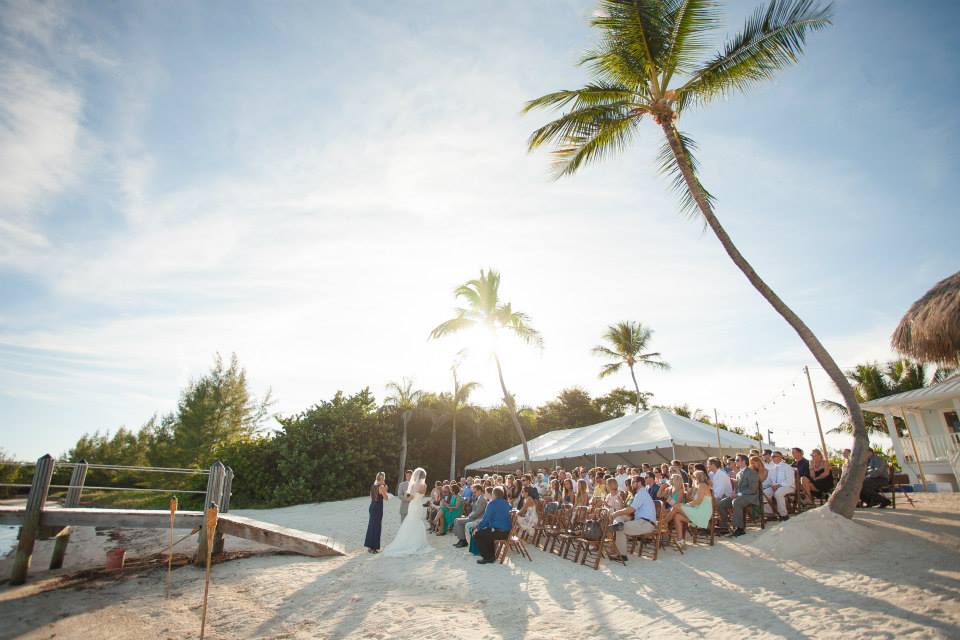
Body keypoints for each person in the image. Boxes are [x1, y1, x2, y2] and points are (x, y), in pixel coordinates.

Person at [382, 468, 432, 556]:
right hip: (418, 506)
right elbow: (420, 495)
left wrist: (407, 493)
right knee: (417, 522)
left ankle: (408, 542)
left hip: (413, 505)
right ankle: (418, 542)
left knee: (410, 523)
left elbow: (410, 497)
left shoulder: (414, 485)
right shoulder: (424, 485)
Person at [609, 479, 657, 562]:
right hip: (641, 521)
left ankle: (622, 555)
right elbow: (632, 512)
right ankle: (617, 524)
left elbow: (631, 509)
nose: (631, 484)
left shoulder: (641, 493)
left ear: (639, 483)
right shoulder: (641, 493)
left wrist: (616, 513)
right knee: (619, 521)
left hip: (646, 523)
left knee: (620, 528)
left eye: (633, 482)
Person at [717, 454, 759, 537]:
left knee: (736, 502)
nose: (735, 462)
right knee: (721, 503)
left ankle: (740, 528)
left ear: (743, 461)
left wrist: (737, 494)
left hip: (751, 496)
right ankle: (725, 526)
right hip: (740, 496)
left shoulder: (751, 472)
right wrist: (734, 493)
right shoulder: (739, 473)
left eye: (737, 460)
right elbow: (737, 488)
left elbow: (752, 489)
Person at [475, 486, 512, 564]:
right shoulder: (507, 503)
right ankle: (491, 556)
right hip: (507, 532)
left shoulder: (492, 504)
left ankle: (487, 557)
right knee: (487, 532)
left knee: (478, 534)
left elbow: (486, 519)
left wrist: (478, 528)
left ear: (494, 494)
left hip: (500, 532)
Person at [677, 470, 713, 543]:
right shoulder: (700, 486)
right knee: (677, 516)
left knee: (676, 506)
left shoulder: (702, 485)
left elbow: (698, 501)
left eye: (693, 477)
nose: (692, 479)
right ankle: (680, 540)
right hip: (698, 510)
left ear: (697, 478)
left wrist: (686, 505)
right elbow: (694, 500)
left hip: (702, 512)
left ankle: (663, 524)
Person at [763, 451, 796, 520]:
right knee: (764, 493)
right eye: (772, 457)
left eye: (774, 456)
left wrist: (779, 485)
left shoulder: (787, 467)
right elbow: (769, 480)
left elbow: (790, 481)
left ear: (780, 457)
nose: (772, 458)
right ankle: (770, 514)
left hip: (788, 486)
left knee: (778, 493)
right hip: (775, 487)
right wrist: (761, 485)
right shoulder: (772, 468)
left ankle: (784, 515)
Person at [453, 483, 487, 548]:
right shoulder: (478, 498)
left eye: (475, 492)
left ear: (479, 491)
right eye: (473, 492)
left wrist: (469, 516)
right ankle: (461, 539)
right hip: (474, 517)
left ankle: (463, 540)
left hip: (477, 519)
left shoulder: (482, 499)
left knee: (458, 521)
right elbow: (474, 511)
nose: (473, 494)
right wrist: (469, 515)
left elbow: (478, 512)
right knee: (456, 520)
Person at [364, 472, 389, 553]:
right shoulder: (381, 487)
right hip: (378, 508)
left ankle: (369, 547)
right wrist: (385, 489)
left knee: (371, 526)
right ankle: (374, 548)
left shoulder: (373, 486)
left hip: (372, 506)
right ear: (382, 479)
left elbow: (371, 497)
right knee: (376, 527)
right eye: (383, 479)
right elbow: (386, 498)